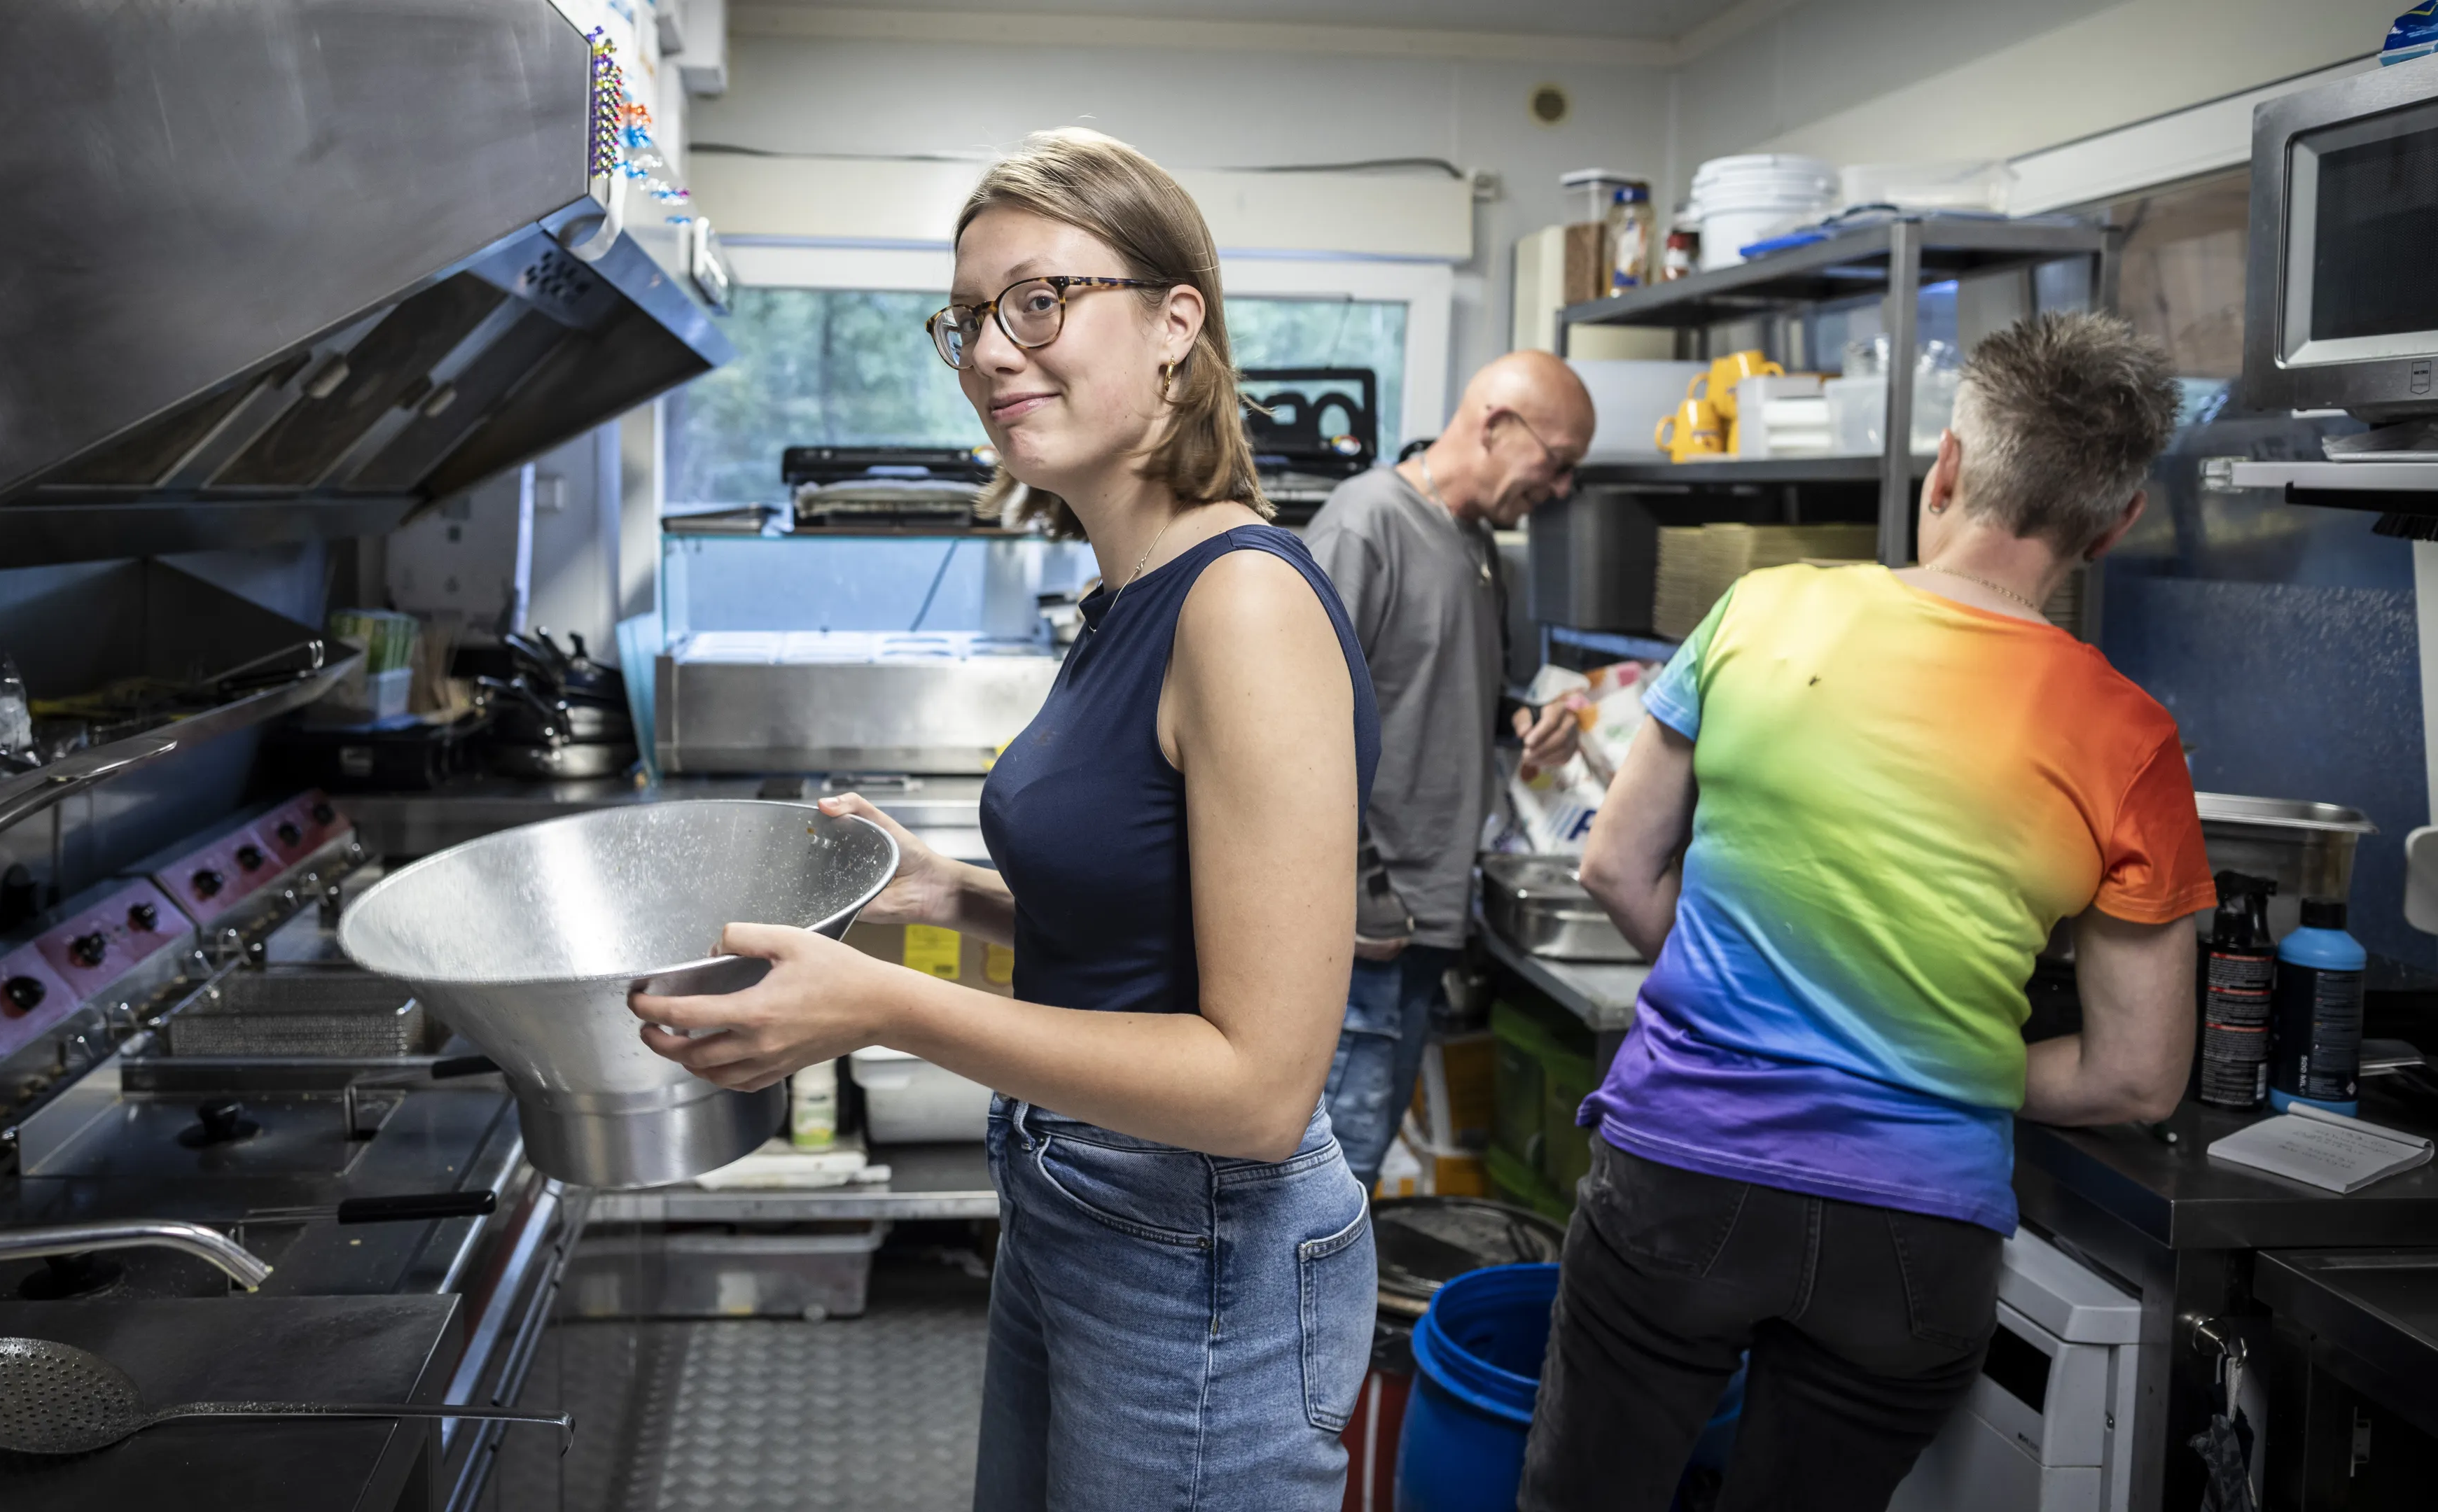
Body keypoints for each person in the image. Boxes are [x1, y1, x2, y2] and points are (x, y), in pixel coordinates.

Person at [629, 128, 1381, 1511]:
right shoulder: (1126, 598)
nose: (989, 352)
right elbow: (1140, 951)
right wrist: (945, 899)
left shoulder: (1244, 604)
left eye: (1038, 301)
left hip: (1200, 1255)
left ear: (1176, 322)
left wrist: (882, 1005)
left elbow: (1259, 1088)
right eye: (968, 319)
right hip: (1076, 1201)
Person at [1521, 312, 2209, 1511]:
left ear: (1947, 467)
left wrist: (1754, 1004)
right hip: (1919, 1233)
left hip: (1683, 1169)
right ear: (2115, 525)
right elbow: (2139, 1078)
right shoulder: (2134, 740)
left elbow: (1616, 869)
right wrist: (1928, 1060)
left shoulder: (1762, 612)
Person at [1304, 351, 1596, 1189]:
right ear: (1496, 425)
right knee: (1322, 1185)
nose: (1562, 489)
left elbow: (1439, 683)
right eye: (1558, 462)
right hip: (1366, 927)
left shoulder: (1475, 542)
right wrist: (1365, 894)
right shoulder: (1366, 523)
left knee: (1350, 1176)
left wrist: (1524, 718)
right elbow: (1297, 723)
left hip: (1426, 912)